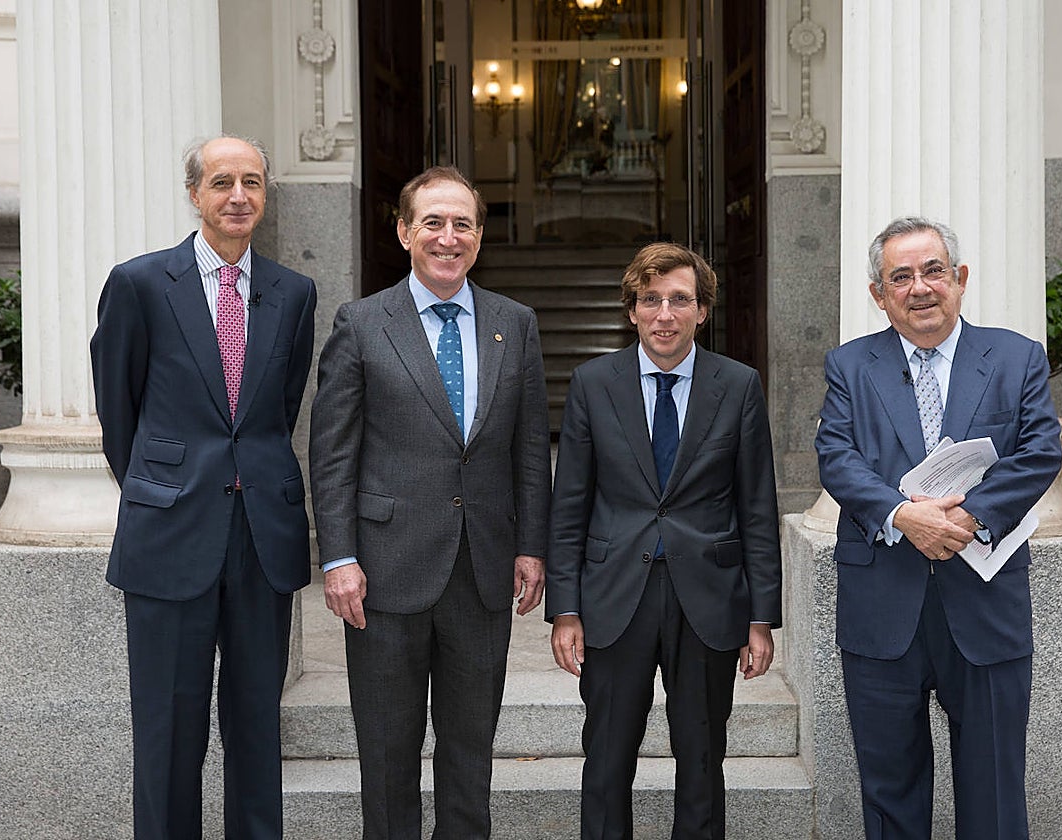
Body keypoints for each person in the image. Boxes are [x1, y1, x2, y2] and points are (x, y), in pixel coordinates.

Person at [308, 165, 551, 840]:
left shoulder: (515, 324)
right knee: (388, 751)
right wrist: (338, 558)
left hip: (483, 570)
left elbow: (531, 449)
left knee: (471, 751)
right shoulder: (362, 323)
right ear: (404, 232)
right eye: (433, 223)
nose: (448, 237)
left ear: (479, 236)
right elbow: (332, 454)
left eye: (462, 224)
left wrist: (532, 546)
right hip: (382, 574)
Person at [90, 135, 317, 839]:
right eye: (222, 182)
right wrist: (166, 486)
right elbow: (118, 411)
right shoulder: (138, 284)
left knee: (256, 728)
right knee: (167, 730)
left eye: (252, 182)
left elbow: (277, 411)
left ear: (265, 194)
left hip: (262, 538)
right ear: (195, 194)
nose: (238, 196)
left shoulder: (294, 292)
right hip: (169, 533)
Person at [815, 216, 1062, 840]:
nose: (920, 288)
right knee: (889, 792)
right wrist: (903, 516)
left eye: (933, 271)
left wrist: (967, 517)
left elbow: (1039, 452)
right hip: (882, 605)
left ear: (960, 278)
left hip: (984, 604)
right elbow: (837, 457)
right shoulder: (849, 365)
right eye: (901, 277)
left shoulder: (1017, 357)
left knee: (994, 790)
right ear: (879, 294)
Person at [545, 242, 783, 839]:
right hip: (613, 596)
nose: (665, 314)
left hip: (708, 598)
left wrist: (761, 618)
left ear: (702, 310)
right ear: (632, 310)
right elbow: (569, 504)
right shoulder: (593, 383)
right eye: (650, 300)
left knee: (701, 760)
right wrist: (565, 609)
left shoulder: (739, 385)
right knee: (606, 759)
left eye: (680, 299)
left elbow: (757, 508)